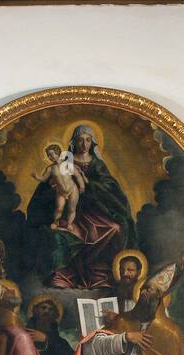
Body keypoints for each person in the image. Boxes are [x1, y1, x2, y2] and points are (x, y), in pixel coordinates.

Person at [30, 124, 136, 290]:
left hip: (95, 210)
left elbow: (109, 185)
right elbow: (50, 183)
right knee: (63, 235)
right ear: (74, 142)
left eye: (88, 140)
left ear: (92, 142)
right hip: (71, 211)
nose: (84, 144)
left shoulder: (97, 163)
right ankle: (66, 276)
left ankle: (97, 275)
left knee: (115, 228)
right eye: (80, 140)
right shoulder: (65, 162)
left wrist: (89, 184)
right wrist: (53, 187)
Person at [31, 142, 86, 234]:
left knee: (72, 208)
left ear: (58, 153)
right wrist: (37, 177)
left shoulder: (67, 165)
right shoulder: (50, 169)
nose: (50, 157)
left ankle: (69, 224)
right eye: (49, 155)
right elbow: (44, 179)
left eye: (52, 154)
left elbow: (77, 176)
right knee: (59, 208)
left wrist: (82, 185)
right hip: (61, 191)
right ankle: (56, 222)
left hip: (72, 189)